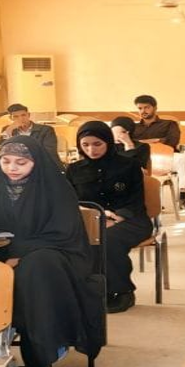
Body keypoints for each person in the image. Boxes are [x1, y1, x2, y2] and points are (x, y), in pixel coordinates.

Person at [0, 134, 106, 367]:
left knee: (36, 267)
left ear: (36, 162)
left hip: (54, 252)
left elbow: (63, 232)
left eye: (21, 162)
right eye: (6, 161)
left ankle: (41, 351)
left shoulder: (56, 189)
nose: (12, 168)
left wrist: (18, 256)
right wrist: (2, 255)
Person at [66, 121, 149, 314]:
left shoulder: (129, 165)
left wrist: (116, 218)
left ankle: (122, 291)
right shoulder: (74, 169)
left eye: (97, 144)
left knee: (107, 240)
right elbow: (69, 201)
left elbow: (136, 200)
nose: (91, 150)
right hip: (88, 220)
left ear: (108, 142)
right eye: (85, 145)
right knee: (67, 239)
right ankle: (87, 291)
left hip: (130, 220)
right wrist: (95, 218)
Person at [130, 95, 185, 211]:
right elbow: (129, 143)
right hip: (142, 161)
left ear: (155, 108)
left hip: (166, 158)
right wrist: (155, 140)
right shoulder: (133, 127)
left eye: (146, 107)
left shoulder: (169, 124)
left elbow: (172, 141)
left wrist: (142, 142)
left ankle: (183, 197)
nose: (143, 111)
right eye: (140, 108)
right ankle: (148, 200)